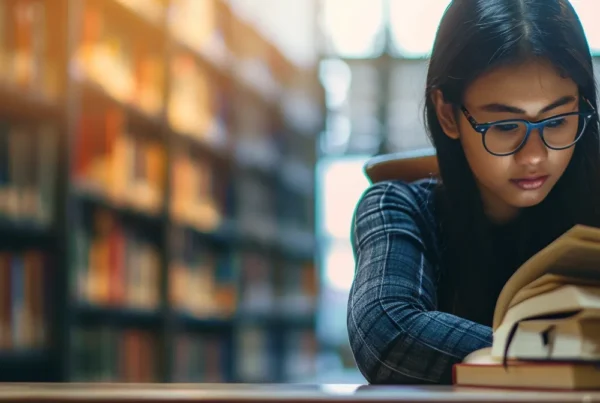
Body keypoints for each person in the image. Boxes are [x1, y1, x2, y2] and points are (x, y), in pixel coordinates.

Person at [347, 0, 600, 385]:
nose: (535, 156)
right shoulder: (400, 207)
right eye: (504, 126)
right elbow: (386, 333)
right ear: (448, 115)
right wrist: (560, 358)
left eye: (558, 120)